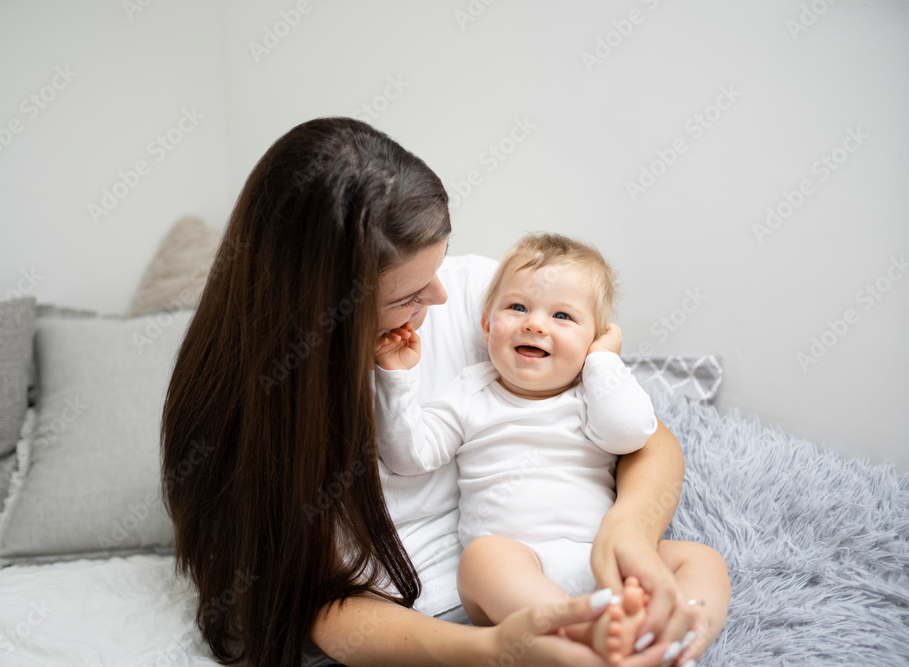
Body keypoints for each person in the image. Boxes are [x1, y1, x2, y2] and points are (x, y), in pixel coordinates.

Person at [160, 117, 707, 667]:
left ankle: (672, 648)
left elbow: (645, 440)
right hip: (450, 612)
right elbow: (322, 611)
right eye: (409, 297)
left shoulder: (493, 308)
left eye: (440, 265)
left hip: (575, 556)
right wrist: (492, 649)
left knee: (701, 567)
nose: (443, 296)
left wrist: (630, 530)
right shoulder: (243, 424)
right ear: (324, 315)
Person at [374, 232, 731, 665]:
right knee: (482, 559)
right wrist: (396, 381)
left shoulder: (592, 394)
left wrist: (603, 364)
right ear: (487, 323)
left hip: (602, 555)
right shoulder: (470, 391)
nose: (535, 324)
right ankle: (593, 638)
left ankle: (678, 638)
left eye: (562, 316)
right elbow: (411, 456)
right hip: (518, 566)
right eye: (517, 308)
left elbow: (632, 433)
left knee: (701, 559)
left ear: (594, 339)